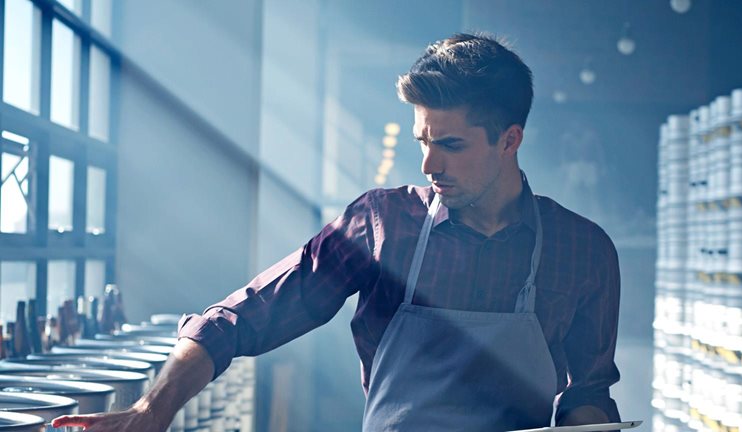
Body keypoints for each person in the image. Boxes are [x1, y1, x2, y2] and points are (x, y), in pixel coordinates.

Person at [53, 32, 622, 431]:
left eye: (451, 145)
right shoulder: (383, 224)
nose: (429, 166)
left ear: (510, 139)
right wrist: (153, 409)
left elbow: (589, 393)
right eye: (423, 141)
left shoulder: (583, 250)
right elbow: (243, 317)